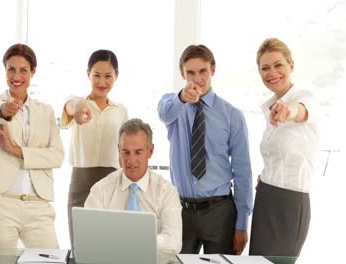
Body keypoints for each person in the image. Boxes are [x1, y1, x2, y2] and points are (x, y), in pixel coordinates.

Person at [157, 44, 253, 255]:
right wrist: (182, 97)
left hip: (219, 211)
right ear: (182, 73)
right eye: (190, 73)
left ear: (213, 70)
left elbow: (243, 172)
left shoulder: (232, 115)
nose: (197, 78)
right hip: (180, 212)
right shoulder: (174, 107)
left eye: (203, 71)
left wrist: (242, 224)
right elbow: (164, 113)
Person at [0, 44, 64, 248]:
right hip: (2, 204)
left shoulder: (45, 111)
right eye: (11, 69)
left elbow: (57, 156)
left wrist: (16, 150)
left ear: (33, 72)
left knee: (50, 261)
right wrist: (6, 109)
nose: (16, 76)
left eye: (23, 70)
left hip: (38, 204)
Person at [249, 38, 320, 257]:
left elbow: (300, 110)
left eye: (278, 65)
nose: (272, 73)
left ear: (291, 65)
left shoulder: (305, 99)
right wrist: (266, 177)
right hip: (266, 197)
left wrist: (289, 111)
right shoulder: (267, 108)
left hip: (291, 203)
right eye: (265, 68)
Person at [84, 118, 182, 257]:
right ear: (118, 149)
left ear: (150, 151)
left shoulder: (166, 192)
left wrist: (132, 242)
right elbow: (87, 237)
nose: (131, 160)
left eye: (138, 152)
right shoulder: (101, 190)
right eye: (126, 152)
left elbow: (173, 242)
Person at [60, 49, 128, 246]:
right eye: (96, 75)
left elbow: (125, 149)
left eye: (108, 76)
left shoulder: (121, 111)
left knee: (109, 244)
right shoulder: (78, 103)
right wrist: (78, 109)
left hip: (113, 180)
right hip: (81, 181)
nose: (102, 82)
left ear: (116, 76)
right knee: (81, 244)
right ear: (87, 74)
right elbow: (70, 107)